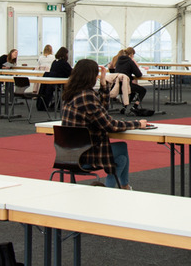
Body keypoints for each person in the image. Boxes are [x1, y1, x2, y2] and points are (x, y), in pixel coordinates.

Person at [61, 59, 149, 189]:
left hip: (66, 153)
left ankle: (121, 188)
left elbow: (101, 110)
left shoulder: (70, 94)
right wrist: (137, 124)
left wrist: (103, 85)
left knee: (121, 160)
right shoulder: (87, 96)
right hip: (85, 154)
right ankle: (119, 188)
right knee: (122, 148)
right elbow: (110, 125)